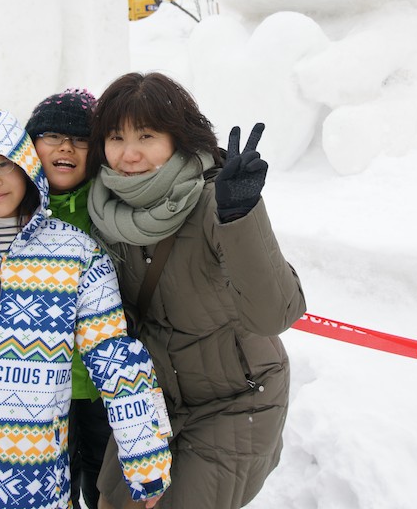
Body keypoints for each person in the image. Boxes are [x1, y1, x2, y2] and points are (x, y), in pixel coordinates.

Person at [0, 108, 171, 509]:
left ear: (26, 165)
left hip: (31, 480)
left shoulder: (78, 254)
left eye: (2, 164)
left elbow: (115, 357)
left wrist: (146, 460)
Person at [86, 72, 307, 509]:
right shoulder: (103, 209)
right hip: (153, 400)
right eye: (116, 137)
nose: (129, 154)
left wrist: (241, 216)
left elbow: (275, 314)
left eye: (146, 136)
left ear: (179, 137)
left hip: (236, 398)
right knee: (113, 502)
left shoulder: (214, 203)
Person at [25, 89, 111, 509]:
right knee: (52, 486)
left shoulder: (112, 207)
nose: (66, 147)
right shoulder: (9, 201)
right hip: (38, 383)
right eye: (53, 136)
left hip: (102, 384)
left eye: (81, 139)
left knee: (105, 484)